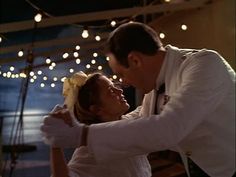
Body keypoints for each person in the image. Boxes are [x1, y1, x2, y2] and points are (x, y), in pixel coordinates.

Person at [41, 22, 235, 177]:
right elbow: (139, 123)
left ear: (135, 60)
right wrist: (66, 133)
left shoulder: (204, 64)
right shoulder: (153, 92)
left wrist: (80, 134)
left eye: (121, 74)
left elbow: (168, 127)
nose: (123, 83)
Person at [48, 71, 152, 177]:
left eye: (115, 86)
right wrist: (56, 144)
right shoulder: (91, 148)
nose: (119, 90)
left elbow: (148, 105)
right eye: (111, 91)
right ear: (97, 109)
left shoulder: (129, 120)